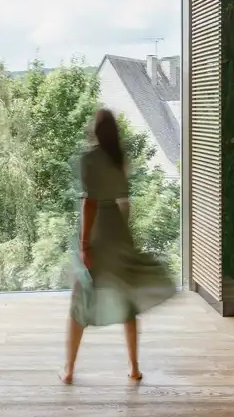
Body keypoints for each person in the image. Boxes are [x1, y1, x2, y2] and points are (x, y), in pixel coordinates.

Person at [60, 108, 177, 385]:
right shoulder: (120, 160)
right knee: (127, 302)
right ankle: (134, 368)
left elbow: (89, 203)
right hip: (118, 230)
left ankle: (69, 370)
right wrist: (124, 236)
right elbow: (125, 203)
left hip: (98, 231)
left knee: (80, 302)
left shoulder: (88, 160)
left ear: (96, 132)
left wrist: (85, 245)